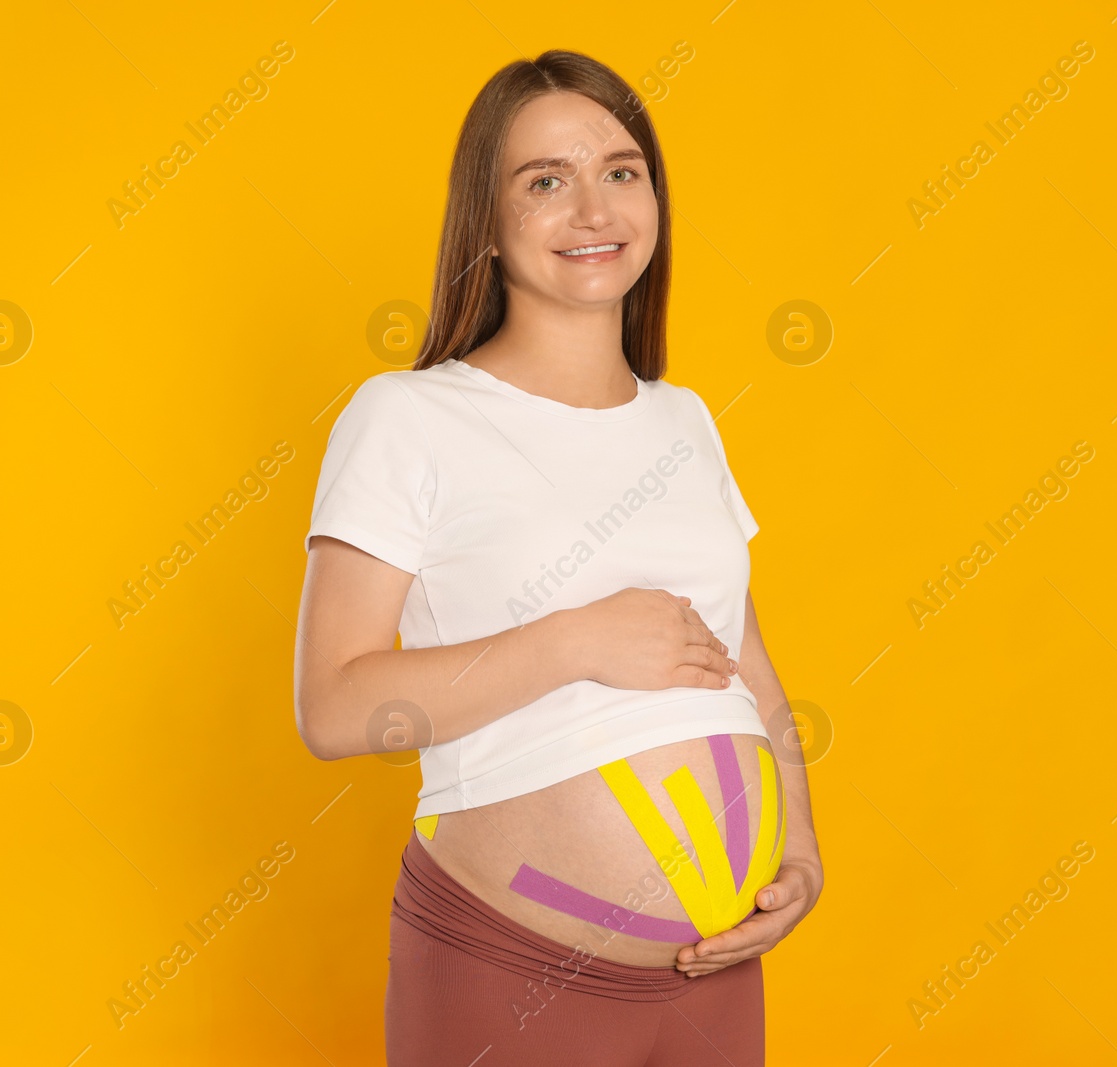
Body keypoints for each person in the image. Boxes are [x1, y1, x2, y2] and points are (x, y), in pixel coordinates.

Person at [294, 48, 823, 1066]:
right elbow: (334, 705)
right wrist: (576, 639)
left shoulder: (686, 423)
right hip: (511, 967)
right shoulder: (408, 416)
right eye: (546, 180)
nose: (593, 208)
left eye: (620, 171)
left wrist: (798, 846)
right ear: (485, 226)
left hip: (715, 974)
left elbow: (744, 662)